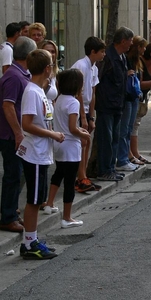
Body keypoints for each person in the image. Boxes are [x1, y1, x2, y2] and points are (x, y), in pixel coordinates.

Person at [16, 49, 65, 259]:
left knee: (37, 198)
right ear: (47, 69)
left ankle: (32, 239)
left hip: (41, 153)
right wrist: (52, 134)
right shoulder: (32, 92)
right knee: (34, 200)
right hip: (34, 153)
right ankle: (29, 243)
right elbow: (26, 124)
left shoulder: (38, 90)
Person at [44, 69, 91, 227]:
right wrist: (83, 134)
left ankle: (49, 203)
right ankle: (67, 217)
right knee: (70, 181)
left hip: (59, 142)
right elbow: (72, 127)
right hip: (70, 144)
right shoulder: (73, 102)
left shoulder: (59, 99)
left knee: (59, 173)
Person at [0, 36, 37, 233]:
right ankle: (7, 216)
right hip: (10, 135)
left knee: (18, 174)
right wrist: (18, 133)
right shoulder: (14, 76)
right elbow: (8, 106)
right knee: (13, 175)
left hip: (16, 134)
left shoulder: (21, 74)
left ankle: (11, 212)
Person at [95, 26, 134, 181]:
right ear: (123, 41)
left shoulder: (122, 57)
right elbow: (98, 80)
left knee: (115, 138)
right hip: (107, 105)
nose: (131, 44)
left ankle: (111, 167)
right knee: (106, 139)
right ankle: (104, 169)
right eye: (130, 41)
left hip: (118, 104)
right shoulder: (108, 57)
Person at [71, 36, 106, 192]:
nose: (104, 55)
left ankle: (83, 175)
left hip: (86, 109)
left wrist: (91, 116)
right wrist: (83, 117)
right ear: (93, 52)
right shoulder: (81, 66)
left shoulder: (94, 68)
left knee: (86, 142)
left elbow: (92, 92)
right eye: (102, 52)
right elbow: (78, 92)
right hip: (77, 109)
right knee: (81, 143)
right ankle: (79, 177)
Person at [116, 36, 146, 171]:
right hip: (128, 96)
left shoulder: (136, 61)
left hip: (134, 96)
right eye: (143, 47)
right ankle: (123, 158)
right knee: (124, 129)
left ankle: (127, 156)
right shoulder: (126, 58)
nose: (144, 49)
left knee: (129, 128)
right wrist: (126, 74)